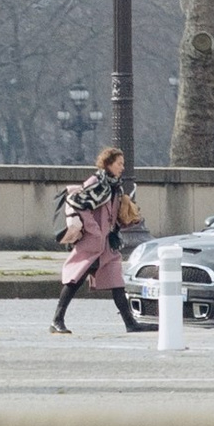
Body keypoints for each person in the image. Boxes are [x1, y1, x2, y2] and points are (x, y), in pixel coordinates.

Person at [53, 144, 146, 335]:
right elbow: (77, 203)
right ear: (108, 164)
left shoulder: (115, 186)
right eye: (119, 163)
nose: (122, 167)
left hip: (107, 244)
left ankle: (130, 323)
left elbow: (112, 215)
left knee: (117, 282)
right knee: (74, 280)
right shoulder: (96, 182)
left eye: (123, 164)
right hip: (92, 242)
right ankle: (57, 320)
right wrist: (94, 230)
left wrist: (127, 220)